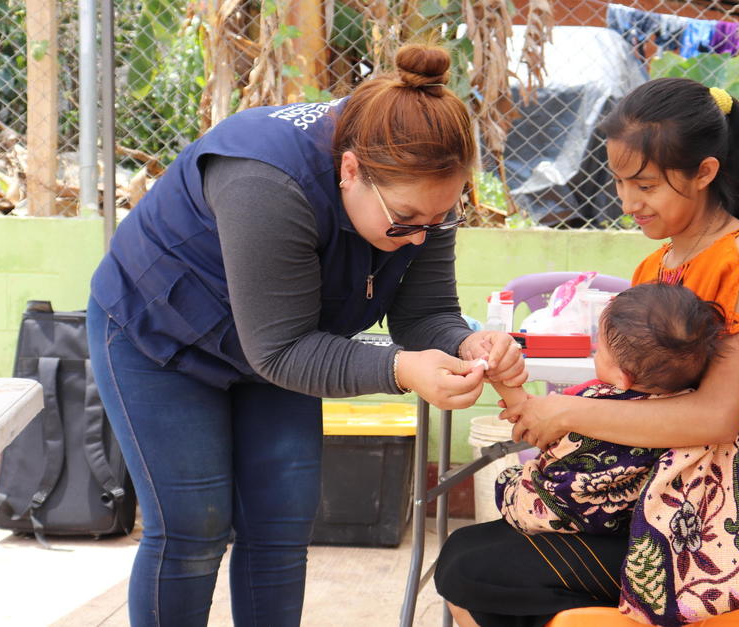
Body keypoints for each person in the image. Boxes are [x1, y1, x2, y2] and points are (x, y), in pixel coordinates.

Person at [86, 44, 526, 627]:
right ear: (349, 172)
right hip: (161, 336)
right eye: (405, 222)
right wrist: (401, 369)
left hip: (283, 344)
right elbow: (281, 349)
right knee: (193, 527)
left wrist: (466, 342)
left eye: (439, 219)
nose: (421, 236)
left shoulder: (418, 189)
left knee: (280, 524)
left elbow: (426, 314)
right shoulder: (267, 181)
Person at [436, 77, 739, 626]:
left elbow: (716, 419)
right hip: (651, 492)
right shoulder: (654, 268)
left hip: (713, 515)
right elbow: (630, 393)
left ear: (705, 173)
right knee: (468, 558)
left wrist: (566, 410)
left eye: (646, 186)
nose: (628, 202)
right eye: (620, 182)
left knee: (472, 571)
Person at [493, 282, 739, 537]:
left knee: (510, 481)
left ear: (621, 377)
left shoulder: (594, 401)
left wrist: (499, 377)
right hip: (638, 532)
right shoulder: (690, 417)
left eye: (600, 347)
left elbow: (531, 422)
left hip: (565, 516)